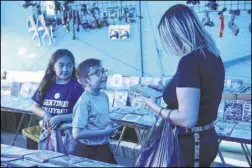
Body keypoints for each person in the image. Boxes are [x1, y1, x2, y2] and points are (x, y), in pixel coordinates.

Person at [143, 4, 225, 167]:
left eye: (168, 39)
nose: (169, 46)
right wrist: (167, 88)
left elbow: (187, 119)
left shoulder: (189, 61)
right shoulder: (212, 55)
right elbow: (200, 90)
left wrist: (154, 107)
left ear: (177, 35)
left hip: (191, 143)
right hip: (205, 138)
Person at [32, 49, 84, 153]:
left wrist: (60, 118)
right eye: (61, 65)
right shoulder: (46, 84)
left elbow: (81, 113)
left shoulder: (77, 87)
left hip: (68, 136)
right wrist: (46, 114)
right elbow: (35, 107)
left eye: (69, 65)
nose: (65, 69)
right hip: (48, 134)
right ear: (53, 67)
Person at [72, 58, 119, 164]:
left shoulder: (104, 96)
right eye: (98, 72)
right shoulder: (84, 102)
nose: (104, 75)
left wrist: (110, 129)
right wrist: (105, 132)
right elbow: (77, 134)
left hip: (103, 147)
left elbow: (99, 121)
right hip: (88, 151)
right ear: (86, 81)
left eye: (103, 71)